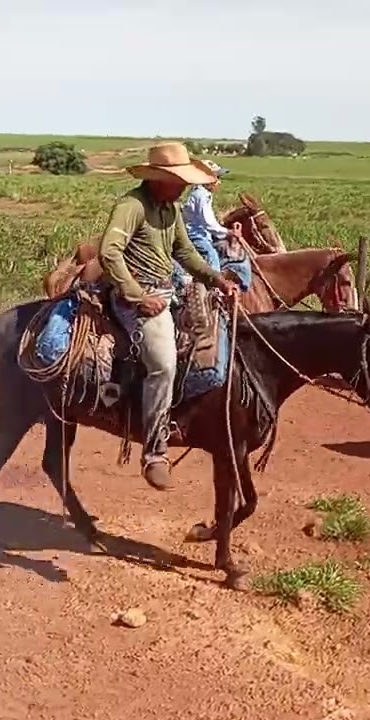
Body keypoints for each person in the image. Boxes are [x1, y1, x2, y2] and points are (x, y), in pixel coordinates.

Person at [96, 142, 241, 491]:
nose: (185, 186)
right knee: (163, 362)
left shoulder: (170, 209)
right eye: (179, 180)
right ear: (160, 178)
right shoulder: (131, 206)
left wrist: (216, 279)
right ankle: (154, 451)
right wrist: (138, 297)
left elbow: (186, 252)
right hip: (135, 297)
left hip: (167, 291)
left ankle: (180, 413)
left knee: (209, 340)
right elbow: (108, 252)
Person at [176, 160, 237, 285]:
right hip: (196, 234)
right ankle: (215, 285)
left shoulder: (201, 193)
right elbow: (208, 223)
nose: (219, 182)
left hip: (200, 232)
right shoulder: (202, 195)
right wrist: (228, 232)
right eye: (216, 178)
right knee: (212, 254)